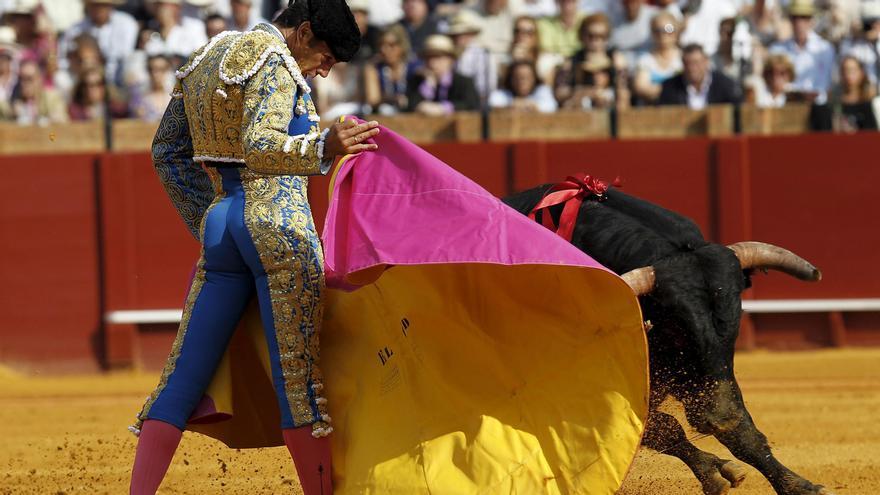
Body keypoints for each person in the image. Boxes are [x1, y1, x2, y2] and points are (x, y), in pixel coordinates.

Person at [127, 1, 381, 494]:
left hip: (223, 226)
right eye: (326, 56)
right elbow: (261, 144)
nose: (326, 70)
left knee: (180, 381)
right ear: (304, 31)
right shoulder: (277, 62)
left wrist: (209, 220)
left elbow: (166, 152)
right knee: (300, 385)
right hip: (278, 226)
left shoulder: (207, 55)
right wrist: (324, 147)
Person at [59, 0, 139, 87]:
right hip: (85, 77)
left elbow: (126, 55)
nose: (99, 9)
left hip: (118, 74)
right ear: (88, 6)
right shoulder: (75, 29)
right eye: (95, 5)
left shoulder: (126, 23)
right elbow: (63, 59)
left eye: (103, 5)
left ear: (111, 6)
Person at [769, 0, 836, 103]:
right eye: (795, 18)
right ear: (790, 20)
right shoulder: (777, 50)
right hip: (787, 106)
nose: (799, 23)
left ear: (811, 20)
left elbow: (826, 86)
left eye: (804, 17)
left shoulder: (825, 49)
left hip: (817, 108)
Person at [405, 34, 481, 114]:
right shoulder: (417, 81)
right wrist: (427, 86)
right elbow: (409, 106)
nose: (432, 63)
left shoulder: (464, 82)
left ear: (451, 59)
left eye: (438, 57)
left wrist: (442, 108)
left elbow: (471, 105)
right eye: (428, 57)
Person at [658, 43, 739, 108]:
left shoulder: (725, 85)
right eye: (687, 64)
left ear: (706, 62)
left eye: (696, 63)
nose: (692, 68)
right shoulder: (670, 88)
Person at [363, 24, 419, 114]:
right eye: (381, 45)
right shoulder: (374, 67)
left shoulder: (414, 67)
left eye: (391, 45)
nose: (384, 50)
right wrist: (392, 99)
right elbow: (373, 100)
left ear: (402, 46)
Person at [448, 8, 497, 102]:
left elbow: (486, 88)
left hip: (476, 101)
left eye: (462, 34)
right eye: (455, 35)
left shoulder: (483, 55)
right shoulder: (449, 55)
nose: (459, 38)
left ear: (471, 34)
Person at [633, 11, 682, 104]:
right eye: (657, 30)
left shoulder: (684, 59)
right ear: (652, 33)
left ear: (676, 32)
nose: (663, 34)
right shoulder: (645, 60)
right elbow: (640, 88)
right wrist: (673, 90)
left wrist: (658, 89)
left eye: (668, 29)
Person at [1, 58, 68, 124]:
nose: (24, 83)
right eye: (21, 79)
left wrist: (44, 119)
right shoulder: (11, 102)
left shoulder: (52, 98)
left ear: (39, 80)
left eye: (29, 79)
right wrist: (13, 116)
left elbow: (61, 121)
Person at [144, 0, 208, 59]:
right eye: (157, 6)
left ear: (175, 8)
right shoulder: (152, 31)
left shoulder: (193, 29)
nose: (158, 10)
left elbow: (202, 53)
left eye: (162, 6)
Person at [489, 59, 558, 112]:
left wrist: (532, 106)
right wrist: (510, 106)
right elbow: (492, 104)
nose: (522, 82)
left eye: (527, 77)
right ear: (510, 79)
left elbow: (552, 106)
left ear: (534, 78)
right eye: (518, 77)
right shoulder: (502, 93)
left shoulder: (542, 91)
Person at [610, 0, 658, 65]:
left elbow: (671, 28)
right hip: (623, 68)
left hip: (649, 66)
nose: (631, 6)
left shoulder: (654, 15)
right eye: (627, 2)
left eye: (634, 2)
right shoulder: (613, 19)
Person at [837, 54, 879, 129]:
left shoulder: (873, 101)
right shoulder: (836, 103)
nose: (848, 75)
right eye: (845, 70)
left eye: (852, 70)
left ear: (861, 72)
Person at [129, 54, 173, 120]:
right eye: (152, 69)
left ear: (167, 70)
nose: (155, 74)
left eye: (161, 69)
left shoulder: (174, 98)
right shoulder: (140, 98)